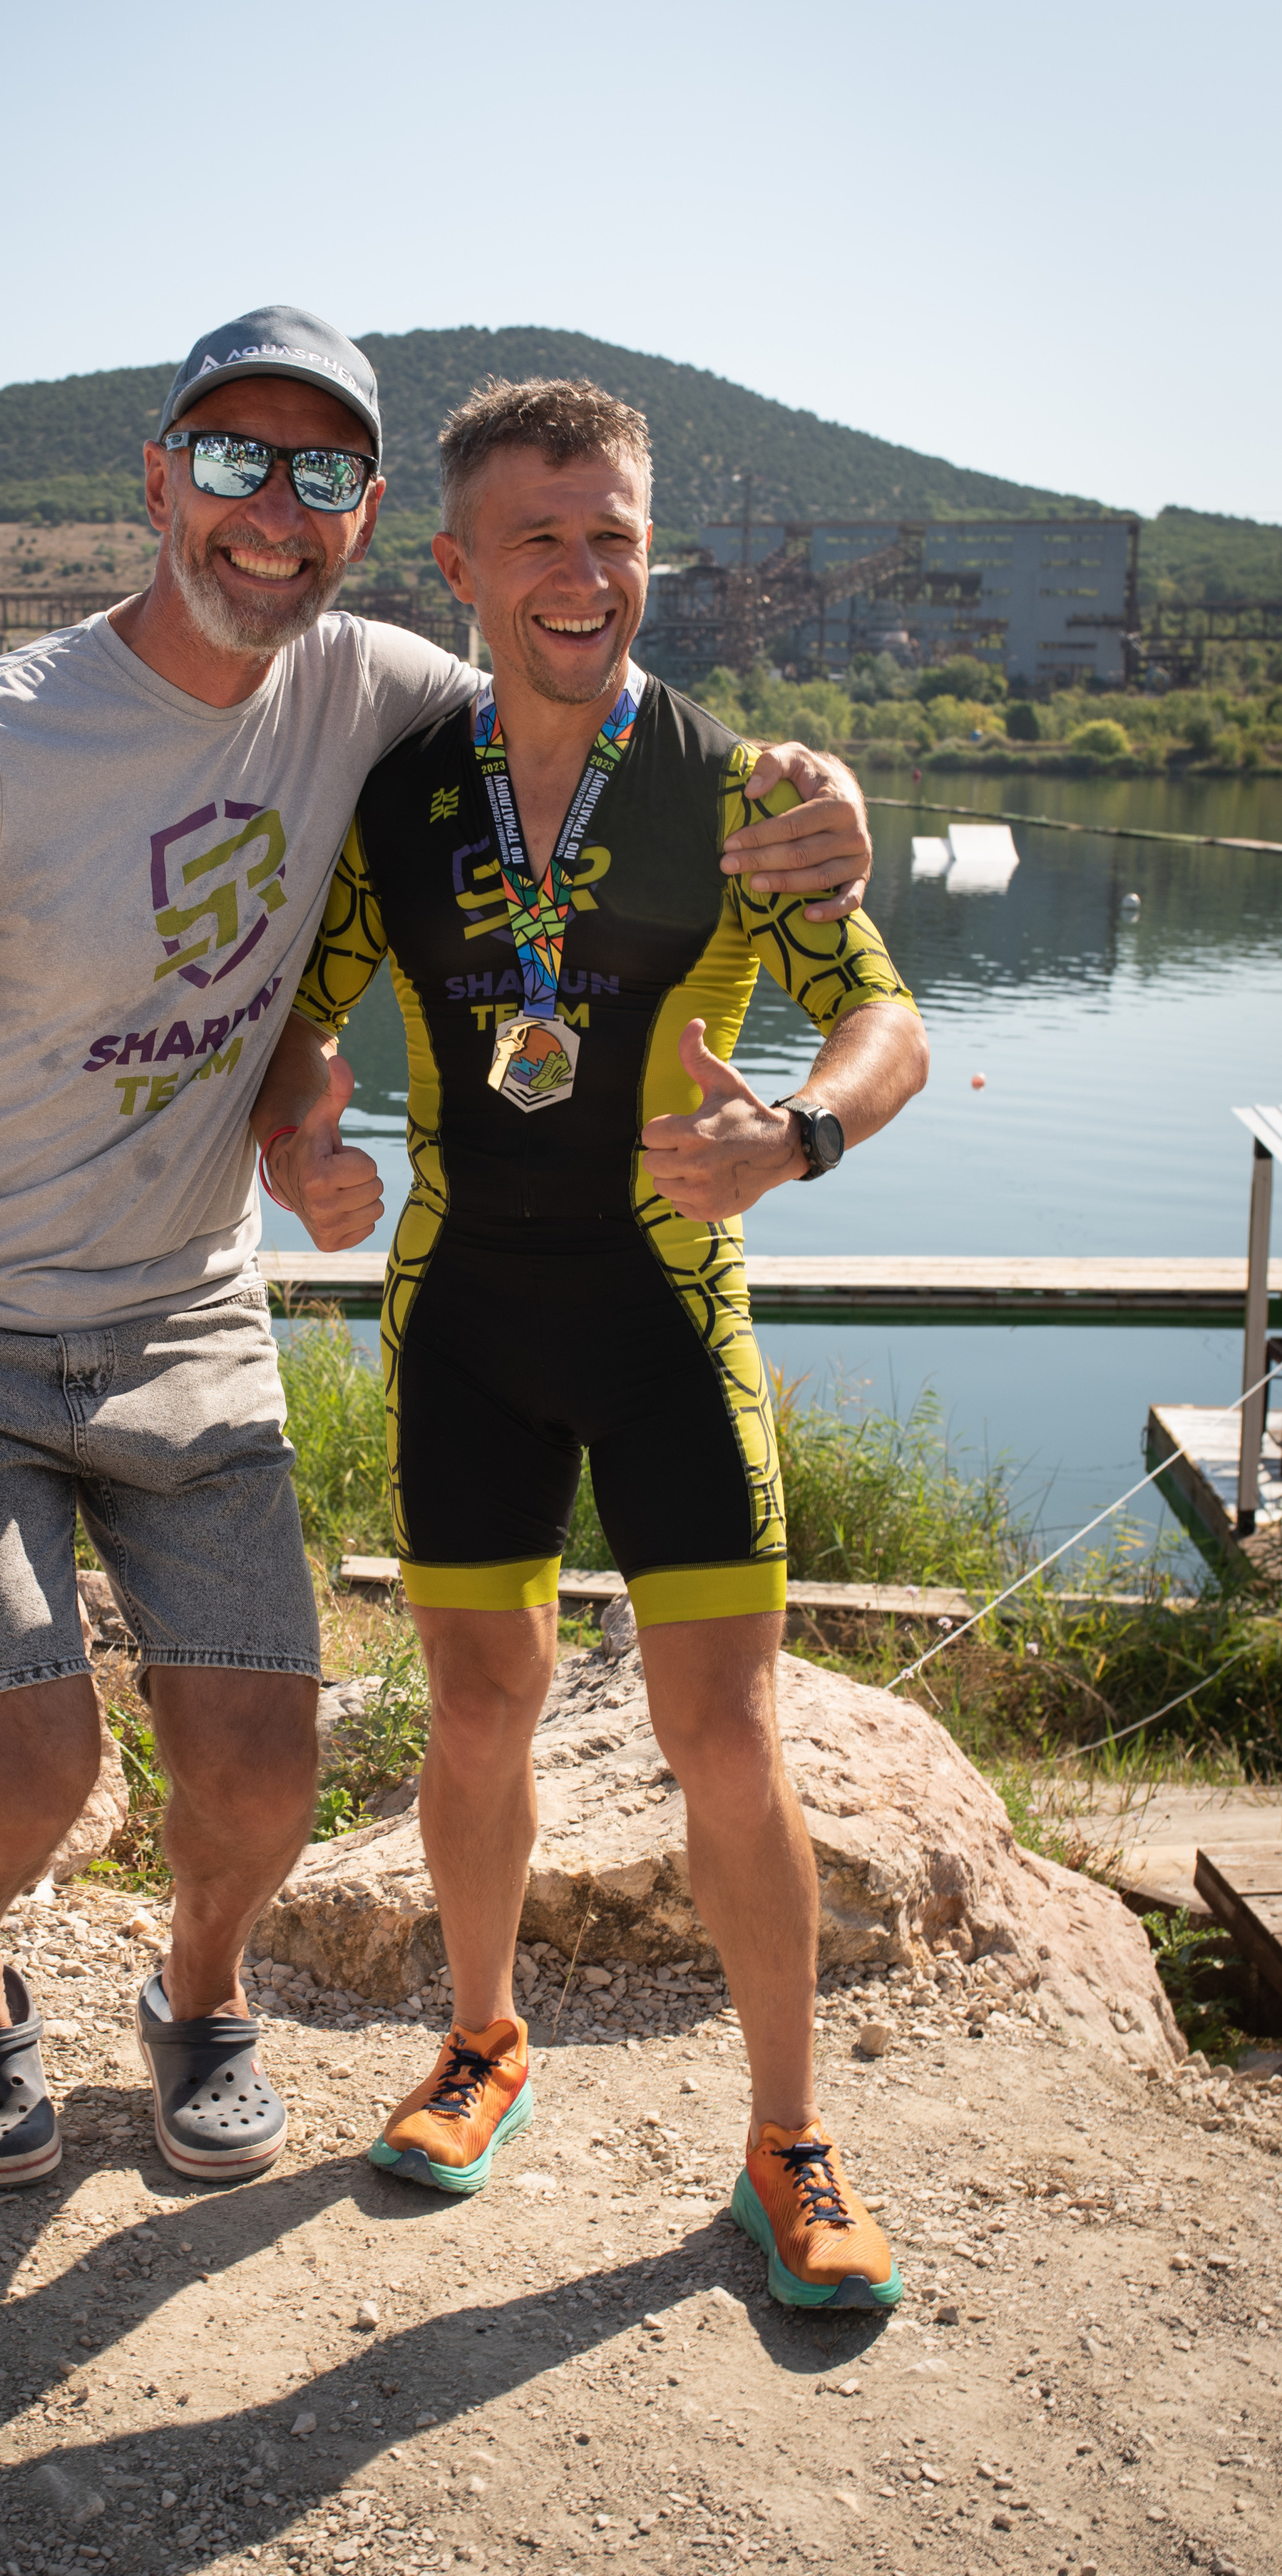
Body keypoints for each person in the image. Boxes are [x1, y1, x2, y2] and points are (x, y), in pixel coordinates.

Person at [0, 303, 876, 2196]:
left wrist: (825, 910)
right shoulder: (77, 746)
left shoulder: (539, 736)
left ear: (367, 523)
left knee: (429, 1762)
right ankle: (40, 1989)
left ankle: (245, 1997)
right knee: (161, 1755)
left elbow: (779, 909)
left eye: (312, 473)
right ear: (161, 481)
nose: (268, 509)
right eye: (229, 460)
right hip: (95, 1332)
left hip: (334, 1323)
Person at [251, 376, 928, 2309]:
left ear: (655, 555)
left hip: (663, 1322)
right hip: (463, 1316)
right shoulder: (402, 792)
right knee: (479, 1708)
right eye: (538, 535)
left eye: (614, 532)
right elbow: (310, 1008)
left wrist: (795, 1135)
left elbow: (892, 1025)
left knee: (724, 1731)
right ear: (456, 566)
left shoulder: (742, 797)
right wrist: (305, 1131)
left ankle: (787, 2145)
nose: (582, 570)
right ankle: (483, 2041)